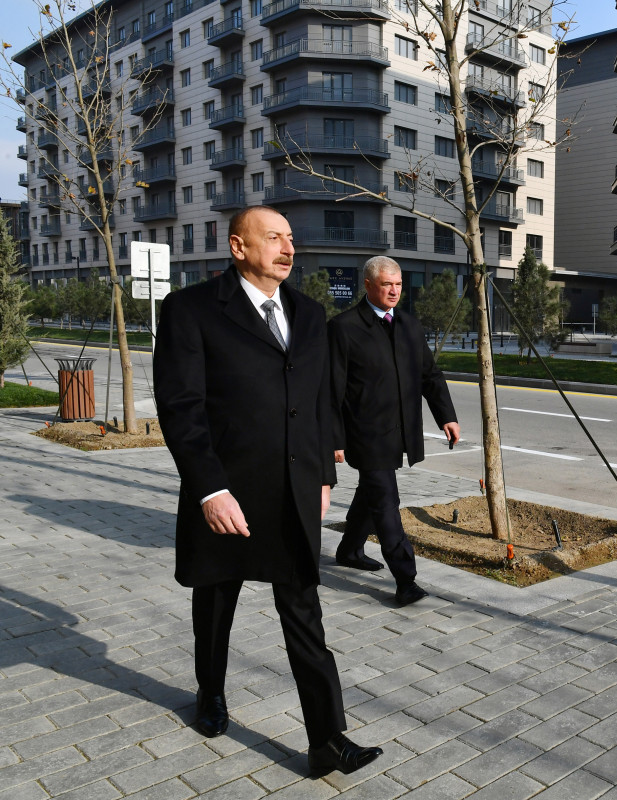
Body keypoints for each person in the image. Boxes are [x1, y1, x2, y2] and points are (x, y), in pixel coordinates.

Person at [154, 206, 382, 779]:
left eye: (289, 238)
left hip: (293, 490)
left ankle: (328, 738)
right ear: (238, 247)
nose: (288, 247)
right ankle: (210, 693)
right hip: (228, 491)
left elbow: (322, 399)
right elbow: (181, 410)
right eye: (273, 237)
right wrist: (209, 490)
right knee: (216, 597)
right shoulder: (191, 310)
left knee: (304, 609)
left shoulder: (308, 313)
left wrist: (325, 478)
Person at [328, 256, 460, 606]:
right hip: (364, 433)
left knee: (371, 494)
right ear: (368, 285)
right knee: (386, 500)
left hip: (400, 430)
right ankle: (405, 580)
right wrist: (335, 438)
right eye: (386, 284)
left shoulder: (409, 326)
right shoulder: (343, 327)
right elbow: (332, 389)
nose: (394, 291)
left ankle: (350, 550)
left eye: (398, 284)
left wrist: (446, 416)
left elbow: (430, 376)